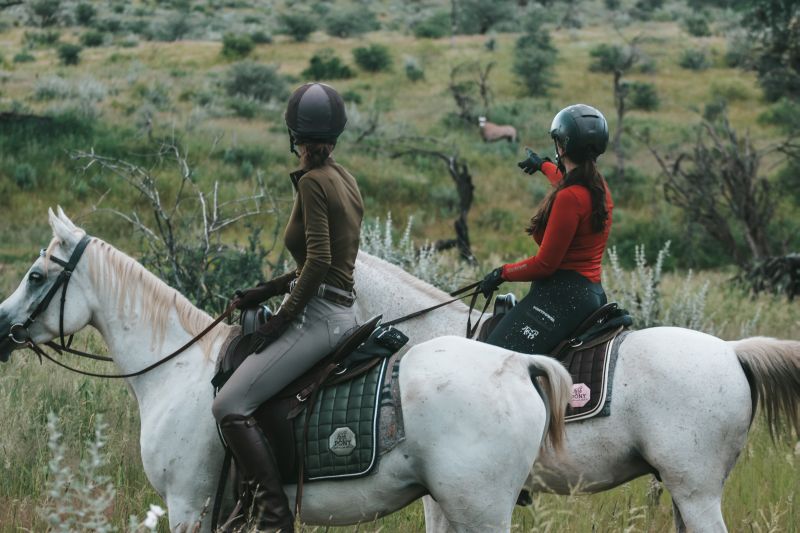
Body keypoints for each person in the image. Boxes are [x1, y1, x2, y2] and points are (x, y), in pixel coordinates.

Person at [212, 82, 364, 532]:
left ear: (293, 135)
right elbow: (324, 261)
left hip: (321, 317)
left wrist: (279, 320)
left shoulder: (315, 183)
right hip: (341, 307)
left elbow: (318, 261)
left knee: (229, 405)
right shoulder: (345, 177)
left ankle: (274, 516)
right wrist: (265, 291)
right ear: (334, 135)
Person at [478, 104, 613, 355]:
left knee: (491, 358)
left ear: (561, 146)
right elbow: (567, 181)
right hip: (588, 292)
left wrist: (501, 273)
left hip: (562, 296)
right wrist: (543, 165)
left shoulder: (569, 198)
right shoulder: (598, 186)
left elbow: (545, 265)